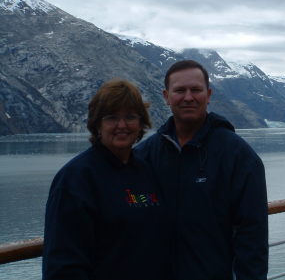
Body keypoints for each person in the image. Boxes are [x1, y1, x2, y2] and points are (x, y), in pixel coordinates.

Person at [134, 60, 269, 280]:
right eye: (180, 90)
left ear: (208, 95)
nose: (188, 97)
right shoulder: (145, 155)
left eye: (196, 90)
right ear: (166, 97)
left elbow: (252, 235)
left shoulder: (238, 156)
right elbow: (135, 207)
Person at [43, 79, 171, 280]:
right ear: (97, 124)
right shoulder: (76, 178)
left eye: (130, 117)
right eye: (111, 117)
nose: (122, 125)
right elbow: (63, 265)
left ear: (141, 123)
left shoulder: (146, 172)